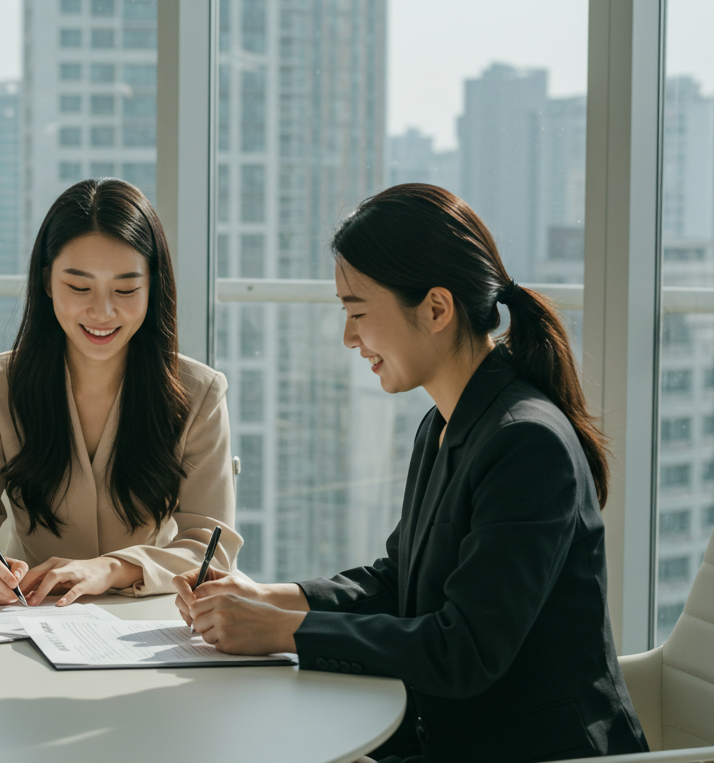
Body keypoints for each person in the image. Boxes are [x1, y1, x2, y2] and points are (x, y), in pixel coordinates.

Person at [173, 184, 647, 762]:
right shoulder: (444, 423)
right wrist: (269, 598)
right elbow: (399, 583)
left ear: (436, 309)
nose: (349, 337)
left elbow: (464, 648)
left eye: (357, 312)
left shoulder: (527, 442)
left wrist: (279, 631)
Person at [0, 178, 240, 606]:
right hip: (28, 614)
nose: (102, 311)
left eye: (126, 289)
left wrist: (110, 568)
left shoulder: (199, 392)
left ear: (153, 286)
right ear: (46, 281)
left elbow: (211, 548)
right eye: (79, 287)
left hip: (149, 620)